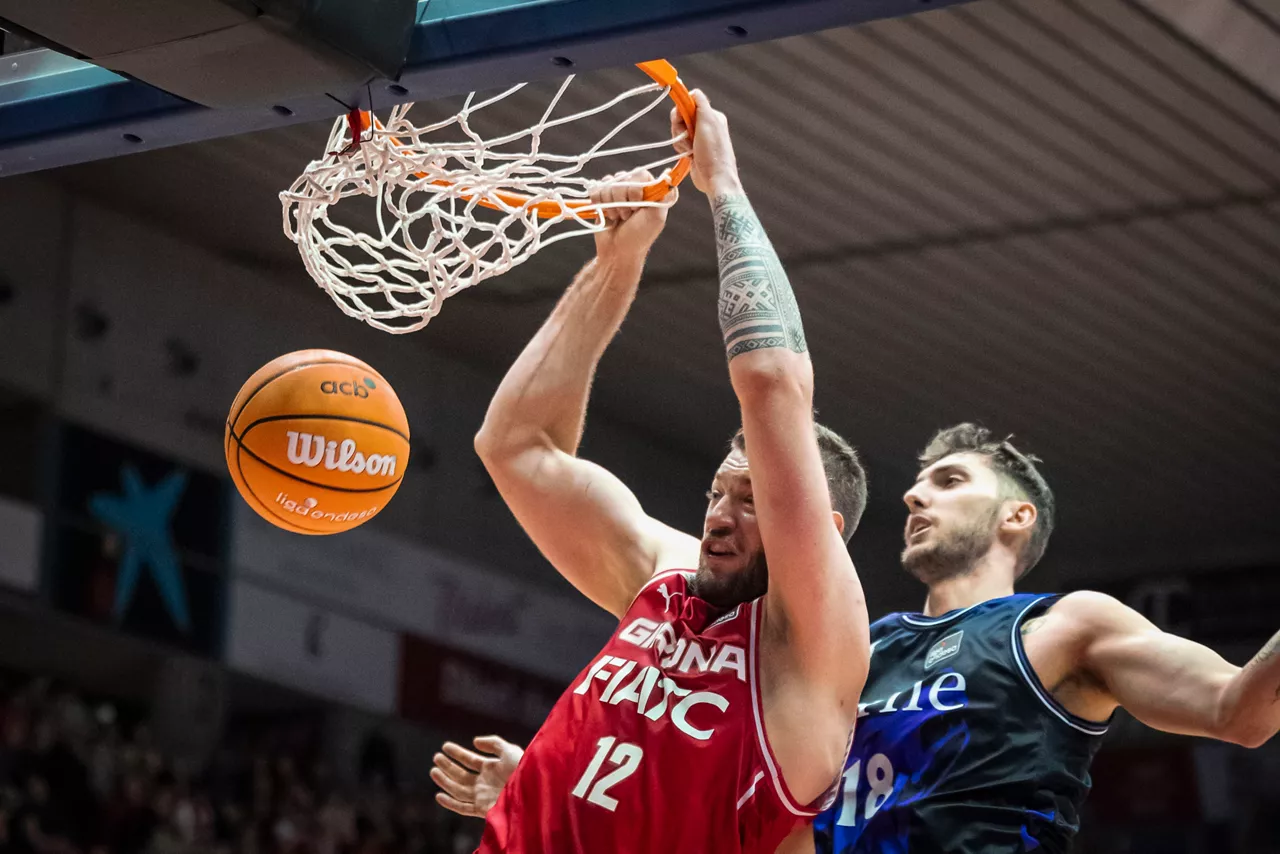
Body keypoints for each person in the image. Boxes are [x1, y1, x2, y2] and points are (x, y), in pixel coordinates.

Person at [434, 424, 1280, 852]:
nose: (916, 497)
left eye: (949, 481)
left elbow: (1240, 710)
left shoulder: (1063, 626)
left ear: (1016, 517)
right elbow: (715, 792)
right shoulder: (842, 652)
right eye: (915, 485)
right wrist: (556, 784)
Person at [458, 88, 871, 854]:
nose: (718, 515)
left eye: (750, 499)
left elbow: (773, 382)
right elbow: (517, 445)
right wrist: (617, 263)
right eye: (718, 491)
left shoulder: (812, 652)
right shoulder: (665, 575)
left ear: (823, 530)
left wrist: (724, 184)